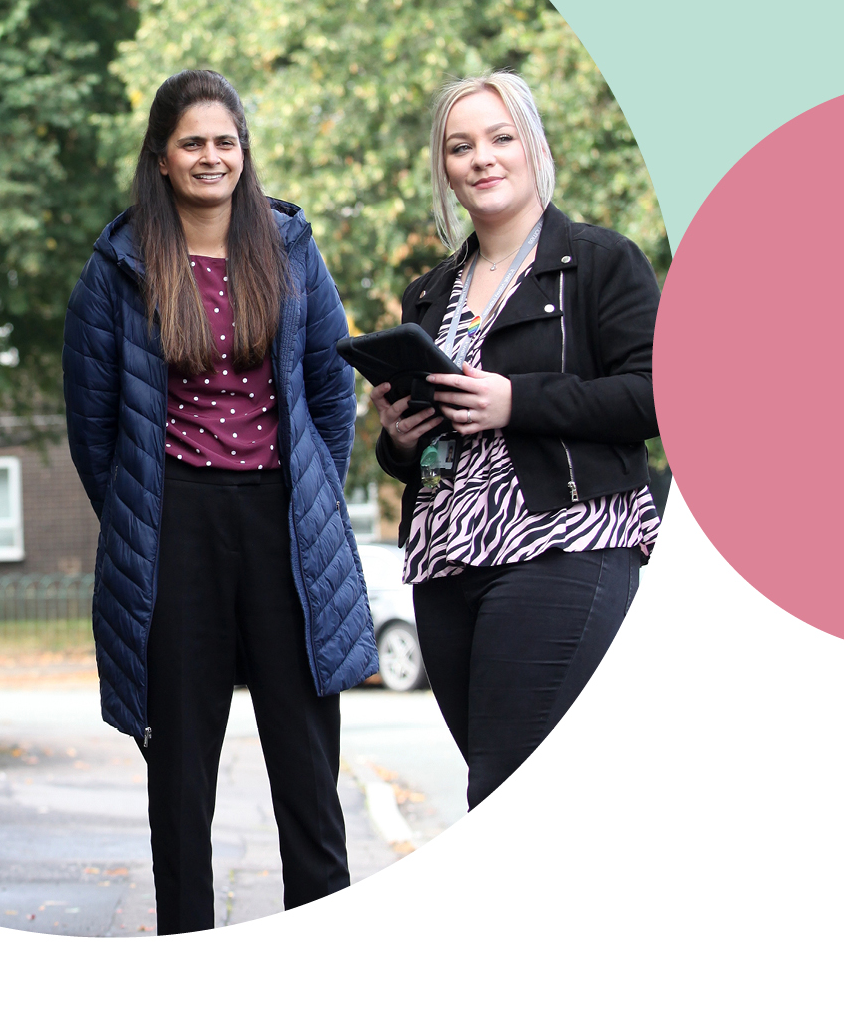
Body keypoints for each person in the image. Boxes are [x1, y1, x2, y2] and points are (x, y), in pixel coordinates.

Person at [63, 69, 378, 934]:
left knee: (309, 772)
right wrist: (142, 511)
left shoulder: (289, 247)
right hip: (174, 525)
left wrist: (308, 484)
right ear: (161, 158)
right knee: (180, 780)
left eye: (225, 141)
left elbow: (328, 390)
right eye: (192, 142)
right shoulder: (118, 266)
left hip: (283, 519)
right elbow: (92, 429)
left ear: (244, 152)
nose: (211, 156)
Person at [370, 71, 659, 809]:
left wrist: (514, 400)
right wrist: (398, 440)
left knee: (499, 788)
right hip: (445, 563)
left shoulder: (599, 262)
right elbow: (425, 447)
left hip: (563, 546)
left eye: (500, 138)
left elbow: (656, 394)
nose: (481, 158)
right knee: (527, 789)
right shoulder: (428, 294)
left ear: (532, 148)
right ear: (446, 172)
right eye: (460, 146)